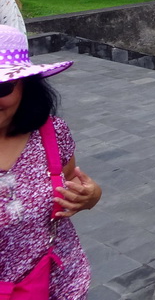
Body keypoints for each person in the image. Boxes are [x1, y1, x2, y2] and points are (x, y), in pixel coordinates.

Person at [0, 24, 101, 299]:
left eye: (2, 87)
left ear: (25, 86)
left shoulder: (51, 134)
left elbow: (69, 183)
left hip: (58, 284)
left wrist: (89, 197)